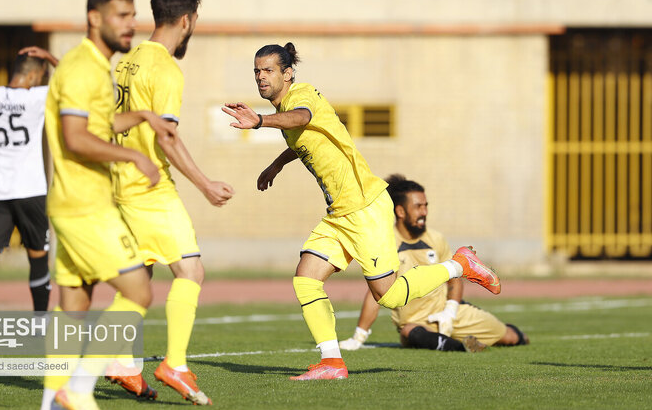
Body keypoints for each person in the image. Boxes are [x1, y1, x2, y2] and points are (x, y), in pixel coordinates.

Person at [222, 43, 501, 381]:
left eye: (267, 70)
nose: (260, 77)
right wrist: (276, 165)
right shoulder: (285, 109)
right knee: (306, 278)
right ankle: (332, 363)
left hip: (365, 208)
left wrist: (260, 122)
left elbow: (303, 118)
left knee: (390, 295)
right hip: (340, 214)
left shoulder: (303, 95)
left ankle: (460, 263)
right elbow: (305, 137)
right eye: (256, 71)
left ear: (288, 73)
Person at [34, 0, 177, 410]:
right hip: (85, 206)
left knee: (72, 307)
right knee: (139, 292)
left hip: (73, 204)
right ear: (94, 18)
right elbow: (75, 138)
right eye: (121, 15)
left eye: (133, 15)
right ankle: (79, 388)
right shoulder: (82, 67)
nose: (131, 24)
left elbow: (98, 123)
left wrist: (139, 117)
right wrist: (134, 154)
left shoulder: (98, 66)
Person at [107, 0, 234, 406]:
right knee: (191, 272)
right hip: (150, 188)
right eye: (195, 21)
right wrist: (205, 184)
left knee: (138, 282)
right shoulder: (164, 67)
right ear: (187, 20)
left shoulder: (127, 61)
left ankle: (121, 363)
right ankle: (174, 363)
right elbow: (167, 137)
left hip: (120, 185)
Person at [339, 175, 529, 352]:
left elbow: (455, 277)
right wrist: (359, 337)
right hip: (415, 323)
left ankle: (518, 336)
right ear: (400, 211)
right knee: (409, 332)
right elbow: (376, 293)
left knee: (509, 338)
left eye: (426, 205)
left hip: (449, 314)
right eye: (418, 206)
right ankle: (464, 347)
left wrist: (450, 311)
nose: (424, 212)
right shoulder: (386, 243)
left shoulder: (436, 239)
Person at [0, 47, 58, 313]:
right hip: (31, 189)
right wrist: (51, 58)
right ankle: (40, 320)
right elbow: (70, 78)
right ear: (32, 75)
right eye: (41, 75)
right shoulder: (37, 99)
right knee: (39, 259)